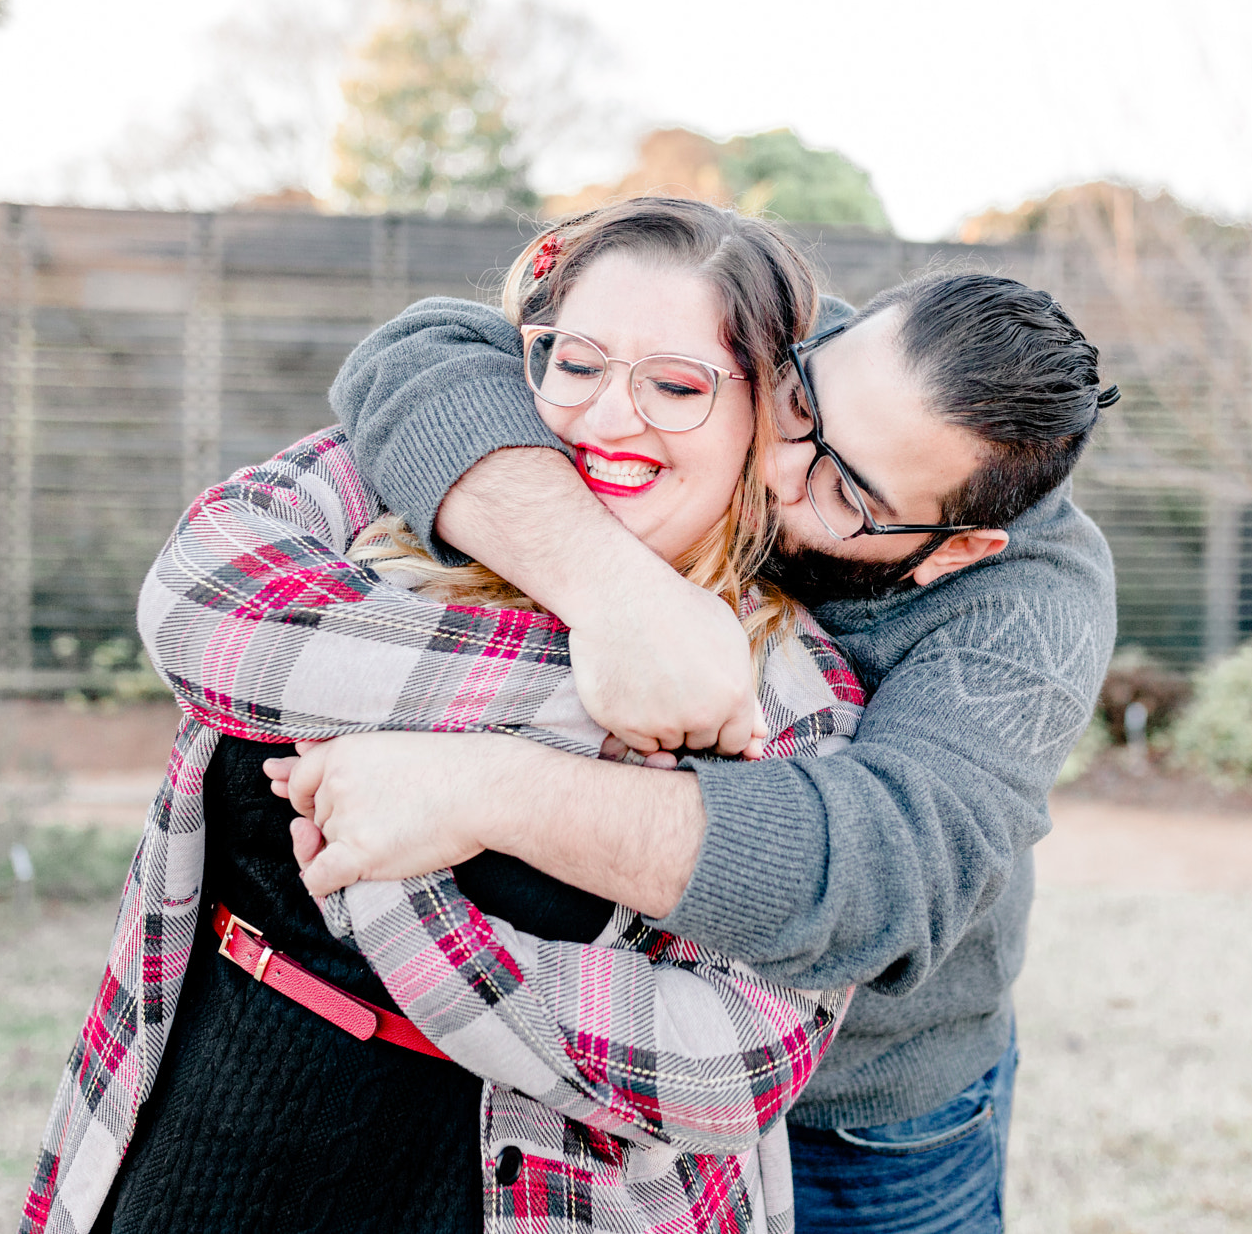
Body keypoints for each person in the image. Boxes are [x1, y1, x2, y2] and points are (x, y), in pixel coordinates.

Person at [21, 198, 865, 1234]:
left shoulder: (785, 686)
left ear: (764, 417)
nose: (606, 418)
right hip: (200, 1146)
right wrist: (615, 666)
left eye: (677, 386)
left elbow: (738, 1058)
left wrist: (402, 883)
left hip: (533, 1201)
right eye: (578, 363)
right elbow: (201, 602)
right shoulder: (403, 481)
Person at [276, 268, 1120, 1232]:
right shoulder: (770, 328)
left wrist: (490, 792)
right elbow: (423, 351)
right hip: (600, 1068)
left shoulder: (1034, 618)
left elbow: (889, 875)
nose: (776, 467)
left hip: (858, 1126)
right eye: (798, 405)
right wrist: (612, 593)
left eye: (841, 489)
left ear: (955, 549)